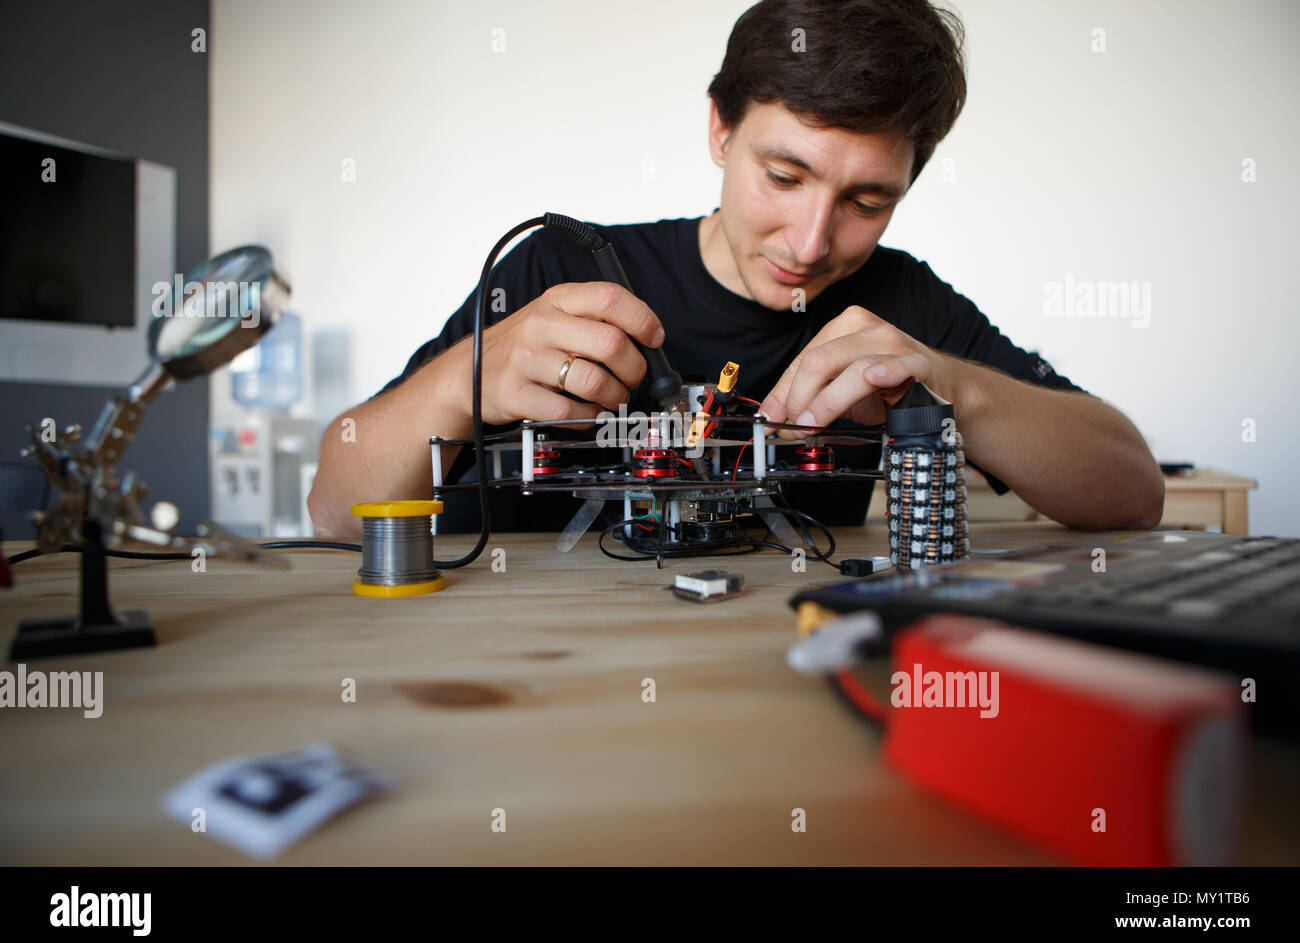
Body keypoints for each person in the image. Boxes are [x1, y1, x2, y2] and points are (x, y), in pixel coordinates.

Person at [308, 0, 1164, 539]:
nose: (809, 240)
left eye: (867, 201)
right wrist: (468, 377)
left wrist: (955, 388)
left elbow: (1133, 491)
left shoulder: (898, 302)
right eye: (783, 177)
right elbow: (332, 509)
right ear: (720, 130)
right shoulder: (559, 269)